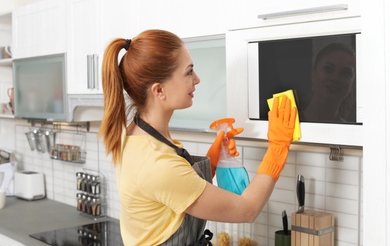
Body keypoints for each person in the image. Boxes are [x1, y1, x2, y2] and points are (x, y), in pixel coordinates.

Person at [99, 29, 297, 245]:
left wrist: (212, 160)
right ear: (159, 90)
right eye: (189, 72)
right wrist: (278, 148)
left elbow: (178, 193)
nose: (197, 79)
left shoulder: (139, 137)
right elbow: (247, 210)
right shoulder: (156, 164)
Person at [300, 42, 356, 123]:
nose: (335, 78)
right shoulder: (284, 123)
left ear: (352, 85)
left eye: (346, 73)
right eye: (328, 68)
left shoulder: (351, 133)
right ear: (313, 74)